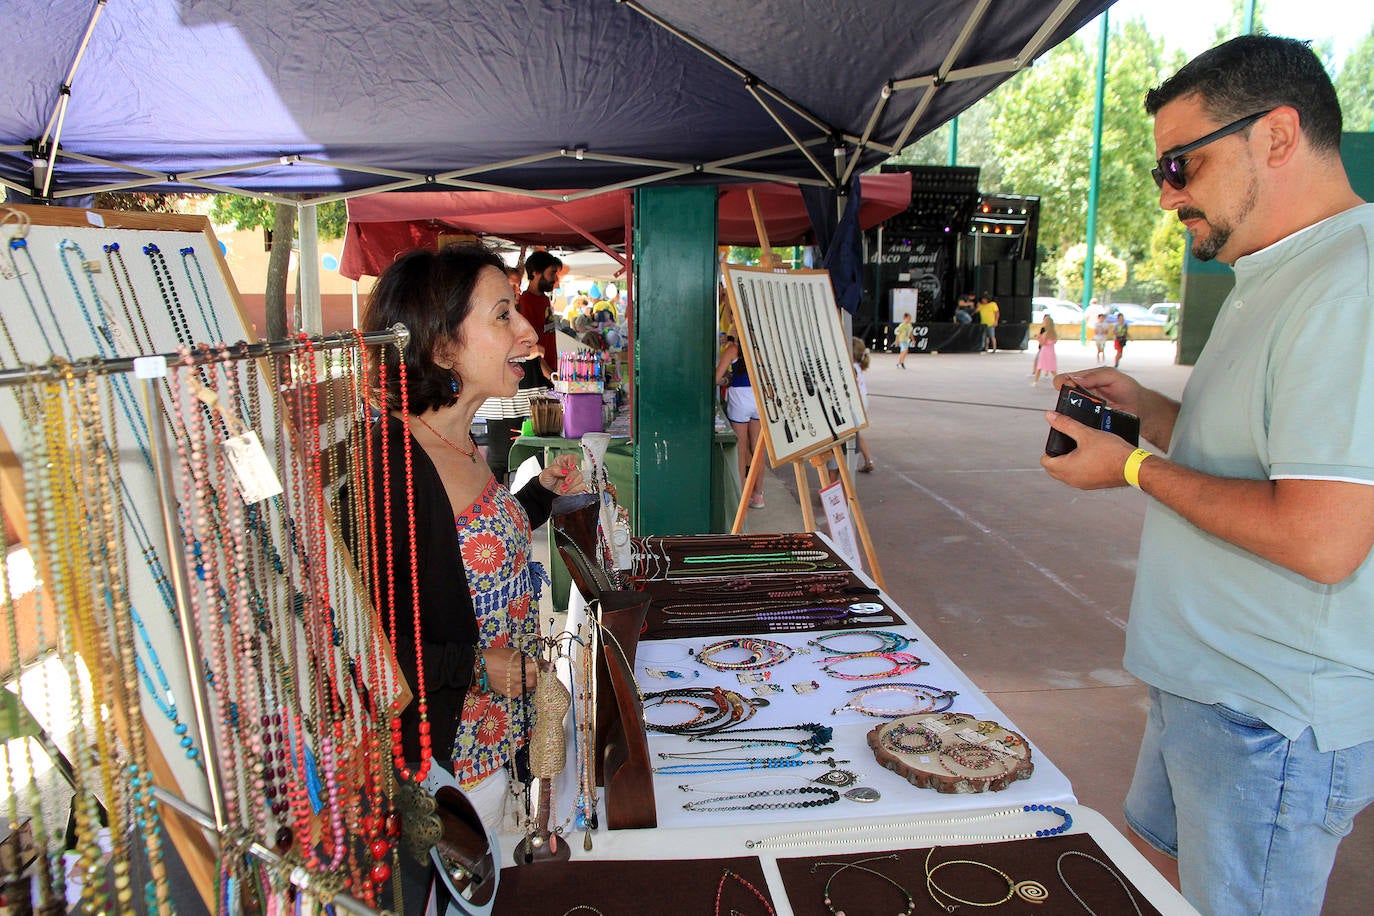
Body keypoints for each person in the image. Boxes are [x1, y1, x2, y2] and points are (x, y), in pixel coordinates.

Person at [1041, 35, 1374, 916]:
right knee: (1152, 870)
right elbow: (1258, 457)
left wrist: (1136, 467)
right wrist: (1148, 410)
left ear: (1277, 135)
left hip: (1267, 712)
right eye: (1161, 171)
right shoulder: (1274, 272)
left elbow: (1323, 536)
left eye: (1181, 165)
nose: (1167, 195)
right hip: (1210, 687)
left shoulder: (1349, 287)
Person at [353, 244, 584, 840]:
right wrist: (479, 666)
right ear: (441, 345)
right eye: (502, 314)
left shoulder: (460, 439)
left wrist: (537, 498)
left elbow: (474, 552)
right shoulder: (394, 467)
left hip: (496, 747)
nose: (528, 328)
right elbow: (362, 647)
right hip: (447, 774)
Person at [715, 335, 766, 508]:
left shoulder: (733, 349)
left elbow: (716, 378)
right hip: (759, 398)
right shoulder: (762, 347)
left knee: (741, 448)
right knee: (757, 449)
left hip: (740, 399)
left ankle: (742, 497)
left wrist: (726, 380)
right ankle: (758, 495)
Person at [519, 251, 562, 382]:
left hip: (550, 370)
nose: (554, 279)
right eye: (551, 273)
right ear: (535, 273)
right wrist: (550, 376)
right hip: (537, 374)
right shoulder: (525, 302)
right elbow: (530, 345)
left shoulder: (544, 299)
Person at [851, 336, 875, 472]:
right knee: (856, 433)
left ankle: (857, 463)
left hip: (857, 402)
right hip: (862, 399)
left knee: (853, 434)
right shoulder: (857, 366)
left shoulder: (852, 367)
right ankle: (868, 460)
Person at [1031, 315, 1057, 386]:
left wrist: (1038, 338)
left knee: (1039, 367)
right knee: (1052, 369)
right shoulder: (1054, 334)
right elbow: (1054, 341)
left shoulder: (1046, 333)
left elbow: (1043, 343)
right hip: (1051, 352)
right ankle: (1059, 382)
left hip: (1044, 352)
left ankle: (1035, 382)